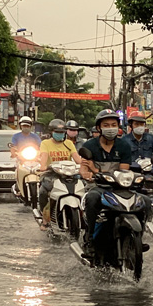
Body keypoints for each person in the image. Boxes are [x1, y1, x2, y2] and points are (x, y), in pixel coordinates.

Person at [79, 109, 133, 257]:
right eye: (106, 125)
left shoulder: (124, 146)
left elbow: (124, 171)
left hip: (119, 188)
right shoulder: (89, 146)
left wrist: (95, 170)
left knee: (144, 201)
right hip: (98, 187)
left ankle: (136, 236)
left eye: (113, 125)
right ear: (99, 128)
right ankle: (90, 238)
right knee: (92, 199)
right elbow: (84, 169)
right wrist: (88, 173)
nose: (110, 128)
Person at [36, 118, 82, 228]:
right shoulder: (45, 143)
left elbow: (77, 159)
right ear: (51, 132)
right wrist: (43, 166)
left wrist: (84, 166)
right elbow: (44, 157)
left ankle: (82, 214)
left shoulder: (69, 143)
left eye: (62, 132)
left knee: (83, 188)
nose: (60, 134)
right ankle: (45, 217)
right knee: (43, 191)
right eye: (57, 132)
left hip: (68, 174)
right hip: (50, 174)